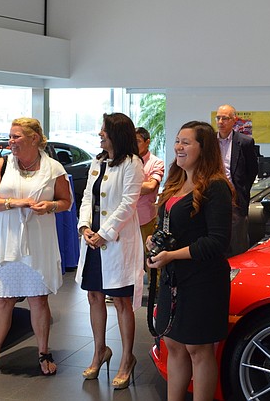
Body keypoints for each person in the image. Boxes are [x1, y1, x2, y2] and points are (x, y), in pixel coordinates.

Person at [0, 117, 72, 381]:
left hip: (38, 239)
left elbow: (66, 201)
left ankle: (43, 352)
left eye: (16, 136)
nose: (11, 141)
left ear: (34, 138)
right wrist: (13, 203)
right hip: (6, 239)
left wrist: (50, 206)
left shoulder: (53, 168)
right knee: (3, 299)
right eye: (10, 136)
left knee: (38, 298)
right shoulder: (2, 164)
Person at [147, 121, 233, 401]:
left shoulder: (216, 186)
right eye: (177, 141)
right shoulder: (175, 181)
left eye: (186, 142)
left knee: (199, 349)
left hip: (203, 280)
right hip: (174, 277)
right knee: (173, 344)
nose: (179, 147)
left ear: (203, 147)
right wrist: (155, 242)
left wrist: (172, 254)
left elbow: (217, 242)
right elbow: (169, 227)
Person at [76, 112, 145, 388]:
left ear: (115, 133)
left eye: (103, 130)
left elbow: (129, 203)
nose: (99, 134)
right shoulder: (97, 161)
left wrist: (104, 233)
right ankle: (99, 351)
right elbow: (86, 197)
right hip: (93, 240)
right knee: (94, 296)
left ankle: (127, 358)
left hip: (115, 241)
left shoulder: (133, 163)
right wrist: (84, 227)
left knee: (120, 301)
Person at [215, 104, 258, 256]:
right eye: (218, 118)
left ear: (234, 120)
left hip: (236, 200)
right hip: (214, 199)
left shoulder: (245, 142)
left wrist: (242, 190)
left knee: (237, 244)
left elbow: (252, 171)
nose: (220, 122)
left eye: (225, 118)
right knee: (217, 243)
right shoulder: (210, 142)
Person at [136, 126, 165, 260]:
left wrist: (126, 186)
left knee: (150, 256)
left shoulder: (156, 162)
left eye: (137, 141)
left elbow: (151, 186)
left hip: (145, 217)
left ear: (147, 142)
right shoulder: (125, 161)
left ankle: (154, 282)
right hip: (125, 218)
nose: (134, 145)